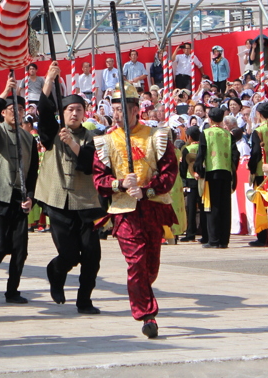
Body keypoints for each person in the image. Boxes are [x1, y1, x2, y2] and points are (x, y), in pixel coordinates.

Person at [92, 82, 178, 338]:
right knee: (136, 263)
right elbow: (99, 180)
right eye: (114, 109)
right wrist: (119, 184)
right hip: (124, 211)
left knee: (150, 266)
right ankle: (146, 314)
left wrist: (148, 189)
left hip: (151, 208)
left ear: (135, 110)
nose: (117, 114)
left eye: (123, 109)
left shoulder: (156, 136)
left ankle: (143, 292)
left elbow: (169, 173)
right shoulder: (106, 142)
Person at [34, 62, 105, 313]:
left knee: (91, 256)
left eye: (78, 110)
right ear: (62, 113)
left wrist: (72, 144)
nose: (73, 114)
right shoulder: (52, 132)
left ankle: (84, 300)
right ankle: (56, 271)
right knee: (69, 254)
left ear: (85, 113)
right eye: (69, 110)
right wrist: (49, 82)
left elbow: (89, 165)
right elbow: (44, 112)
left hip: (85, 203)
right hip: (57, 201)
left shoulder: (94, 137)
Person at [0, 76, 38, 303]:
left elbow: (33, 172)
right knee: (1, 245)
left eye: (20, 108)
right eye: (11, 108)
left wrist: (30, 196)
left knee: (20, 250)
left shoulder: (28, 139)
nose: (16, 112)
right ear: (3, 111)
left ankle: (12, 291)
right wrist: (3, 95)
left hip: (19, 199)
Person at [195, 107, 239, 248]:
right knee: (225, 206)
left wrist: (199, 170)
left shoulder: (206, 133)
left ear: (210, 119)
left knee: (212, 205)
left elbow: (201, 153)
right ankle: (224, 240)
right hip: (226, 173)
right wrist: (232, 169)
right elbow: (235, 155)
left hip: (211, 172)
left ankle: (213, 240)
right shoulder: (228, 134)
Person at [247, 102, 268, 247]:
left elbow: (255, 154)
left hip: (262, 170)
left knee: (261, 205)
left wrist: (251, 168)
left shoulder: (259, 130)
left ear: (259, 114)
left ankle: (263, 236)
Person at [179, 126, 205, 244]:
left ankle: (190, 233)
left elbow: (183, 167)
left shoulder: (186, 149)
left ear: (188, 137)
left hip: (190, 180)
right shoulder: (202, 147)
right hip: (202, 180)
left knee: (191, 208)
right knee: (203, 206)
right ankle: (205, 232)